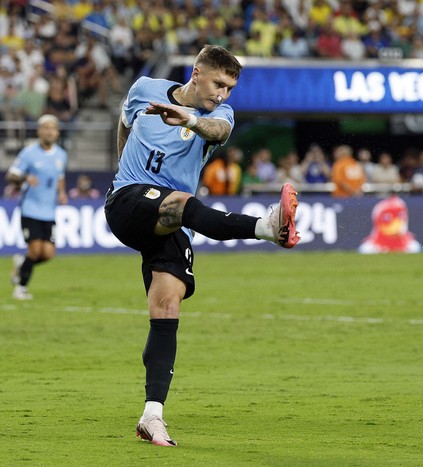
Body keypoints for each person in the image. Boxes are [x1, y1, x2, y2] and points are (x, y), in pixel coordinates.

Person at [103, 45, 301, 448]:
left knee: (167, 305)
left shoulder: (217, 116)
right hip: (128, 201)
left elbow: (220, 131)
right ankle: (267, 227)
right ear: (197, 73)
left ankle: (151, 416)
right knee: (182, 202)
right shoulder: (147, 89)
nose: (223, 94)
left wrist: (191, 119)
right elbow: (124, 120)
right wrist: (123, 163)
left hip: (174, 222)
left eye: (229, 88)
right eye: (218, 83)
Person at [6, 114, 68, 300]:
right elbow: (11, 175)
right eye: (46, 128)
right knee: (34, 250)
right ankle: (21, 288)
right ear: (39, 131)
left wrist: (62, 193)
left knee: (48, 254)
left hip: (49, 210)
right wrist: (25, 178)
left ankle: (22, 263)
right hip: (30, 208)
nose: (49, 131)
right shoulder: (29, 153)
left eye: (53, 128)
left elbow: (60, 176)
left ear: (57, 133)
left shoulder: (61, 155)